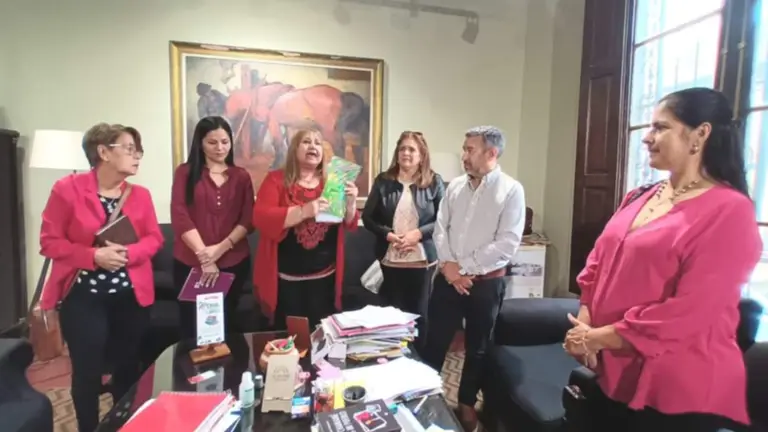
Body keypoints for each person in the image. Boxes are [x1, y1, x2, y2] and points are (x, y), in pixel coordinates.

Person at [564, 87, 762, 432]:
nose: (647, 137)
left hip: (678, 385)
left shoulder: (731, 211)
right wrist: (585, 319)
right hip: (615, 369)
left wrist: (596, 338)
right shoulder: (641, 194)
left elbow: (692, 311)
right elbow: (598, 261)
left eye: (660, 127)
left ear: (700, 134)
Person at [39, 123, 163, 432]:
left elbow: (154, 238)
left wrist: (129, 253)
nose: (137, 156)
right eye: (130, 149)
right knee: (87, 373)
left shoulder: (140, 195)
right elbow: (49, 242)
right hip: (83, 299)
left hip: (131, 297)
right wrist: (93, 256)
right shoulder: (66, 190)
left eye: (139, 150)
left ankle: (125, 424)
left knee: (128, 367)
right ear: (103, 152)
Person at [422, 126, 526, 431]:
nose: (463, 155)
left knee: (478, 347)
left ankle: (466, 403)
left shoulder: (511, 190)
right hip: (447, 280)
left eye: (470, 149)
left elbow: (507, 243)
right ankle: (426, 398)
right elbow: (440, 229)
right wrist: (449, 268)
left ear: (491, 153)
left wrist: (463, 268)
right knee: (434, 341)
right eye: (464, 149)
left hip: (486, 283)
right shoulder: (454, 186)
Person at [252, 128, 360, 329]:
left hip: (325, 280)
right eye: (306, 142)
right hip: (287, 282)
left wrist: (351, 202)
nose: (313, 146)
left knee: (323, 335)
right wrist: (304, 211)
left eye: (318, 143)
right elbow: (261, 217)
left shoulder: (333, 181)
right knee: (290, 337)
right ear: (295, 149)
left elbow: (349, 223)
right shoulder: (276, 179)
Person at [170, 116, 254, 341]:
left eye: (225, 142)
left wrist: (220, 249)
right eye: (212, 142)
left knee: (226, 324)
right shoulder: (185, 173)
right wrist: (205, 258)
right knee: (193, 327)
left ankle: (229, 365)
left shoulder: (241, 176)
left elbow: (248, 219)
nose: (220, 148)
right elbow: (180, 215)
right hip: (190, 262)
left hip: (233, 262)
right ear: (200, 143)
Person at [362, 131, 444, 349]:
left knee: (420, 316)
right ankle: (394, 359)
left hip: (422, 262)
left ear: (422, 155)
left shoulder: (434, 181)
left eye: (412, 149)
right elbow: (368, 218)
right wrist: (388, 234)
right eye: (402, 148)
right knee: (392, 317)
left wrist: (418, 234)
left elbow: (443, 219)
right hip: (391, 260)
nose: (406, 153)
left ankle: (418, 361)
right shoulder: (383, 181)